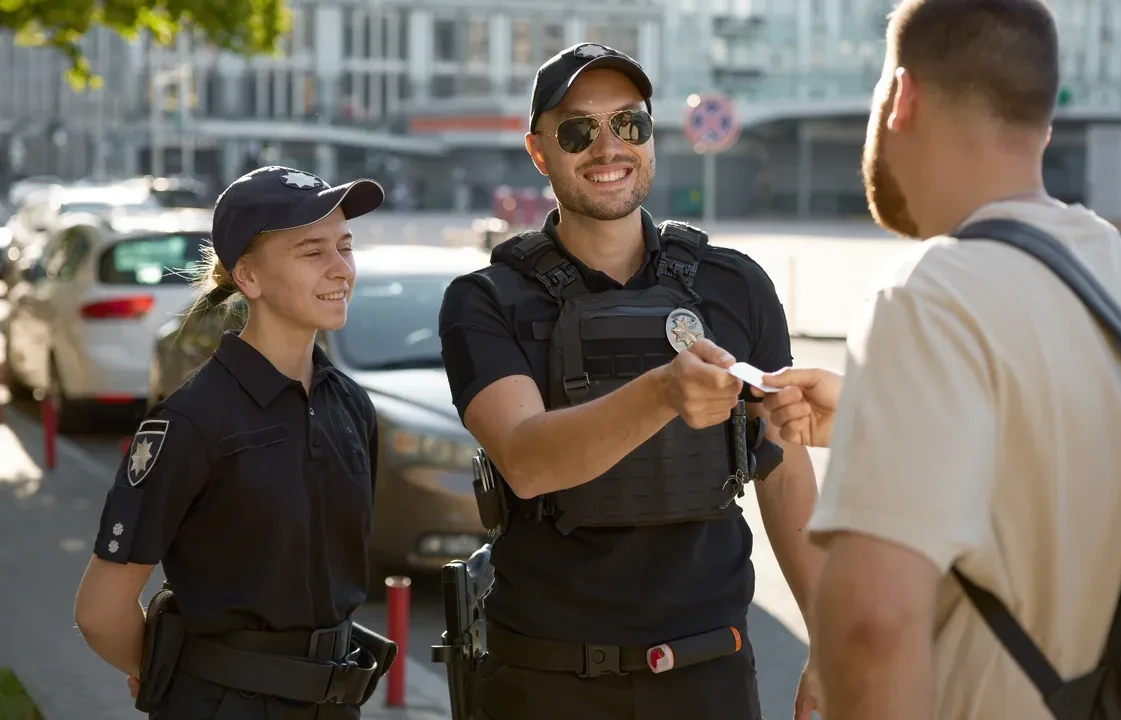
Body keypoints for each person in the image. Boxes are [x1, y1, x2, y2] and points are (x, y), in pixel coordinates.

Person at [756, 0, 1121, 718]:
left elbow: (871, 627)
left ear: (904, 97)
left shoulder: (924, 297)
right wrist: (874, 412)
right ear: (1040, 120)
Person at [437, 43, 824, 720]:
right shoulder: (486, 300)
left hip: (709, 674)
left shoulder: (734, 286)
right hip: (547, 681)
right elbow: (527, 461)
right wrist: (661, 393)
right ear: (539, 152)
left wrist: (831, 640)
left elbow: (783, 469)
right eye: (578, 131)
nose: (608, 148)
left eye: (630, 124)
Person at [73, 165, 393, 719]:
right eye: (312, 251)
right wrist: (172, 677)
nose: (341, 269)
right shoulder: (193, 421)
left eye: (346, 246)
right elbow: (101, 611)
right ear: (248, 277)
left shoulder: (351, 407)